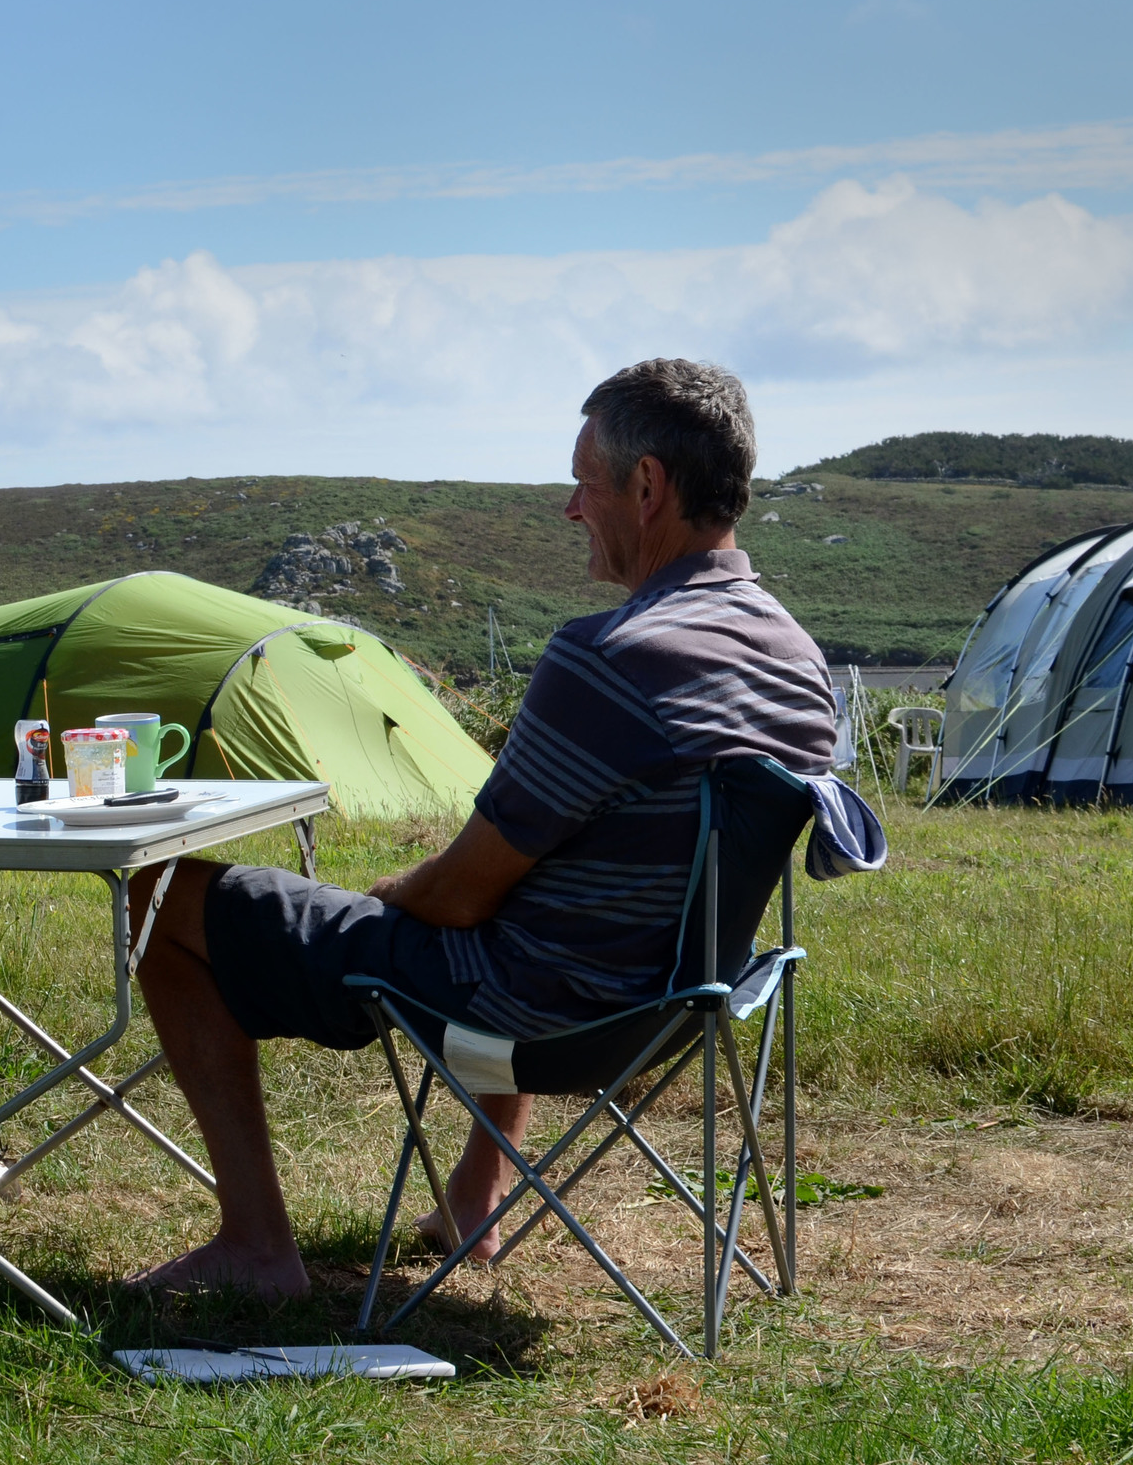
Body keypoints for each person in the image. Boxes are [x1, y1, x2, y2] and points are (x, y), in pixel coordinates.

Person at [123, 358, 836, 1299]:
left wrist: (389, 898)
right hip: (678, 1004)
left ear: (649, 485)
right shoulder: (795, 656)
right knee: (544, 902)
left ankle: (256, 1244)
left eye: (585, 483)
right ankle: (475, 1194)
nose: (571, 510)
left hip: (546, 1014)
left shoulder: (612, 658)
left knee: (161, 896)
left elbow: (463, 892)